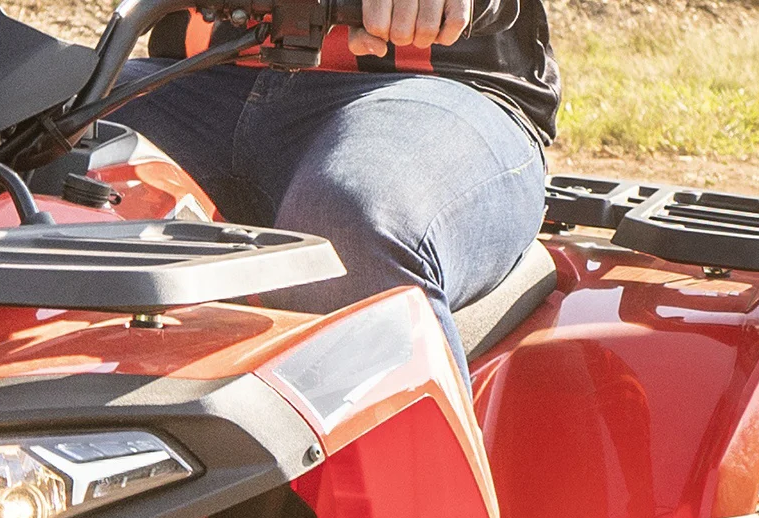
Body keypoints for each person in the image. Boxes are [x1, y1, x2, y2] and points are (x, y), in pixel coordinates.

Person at [113, 0, 556, 379]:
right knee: (50, 163)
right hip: (193, 74)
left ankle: (405, 478)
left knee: (347, 223)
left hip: (438, 87)